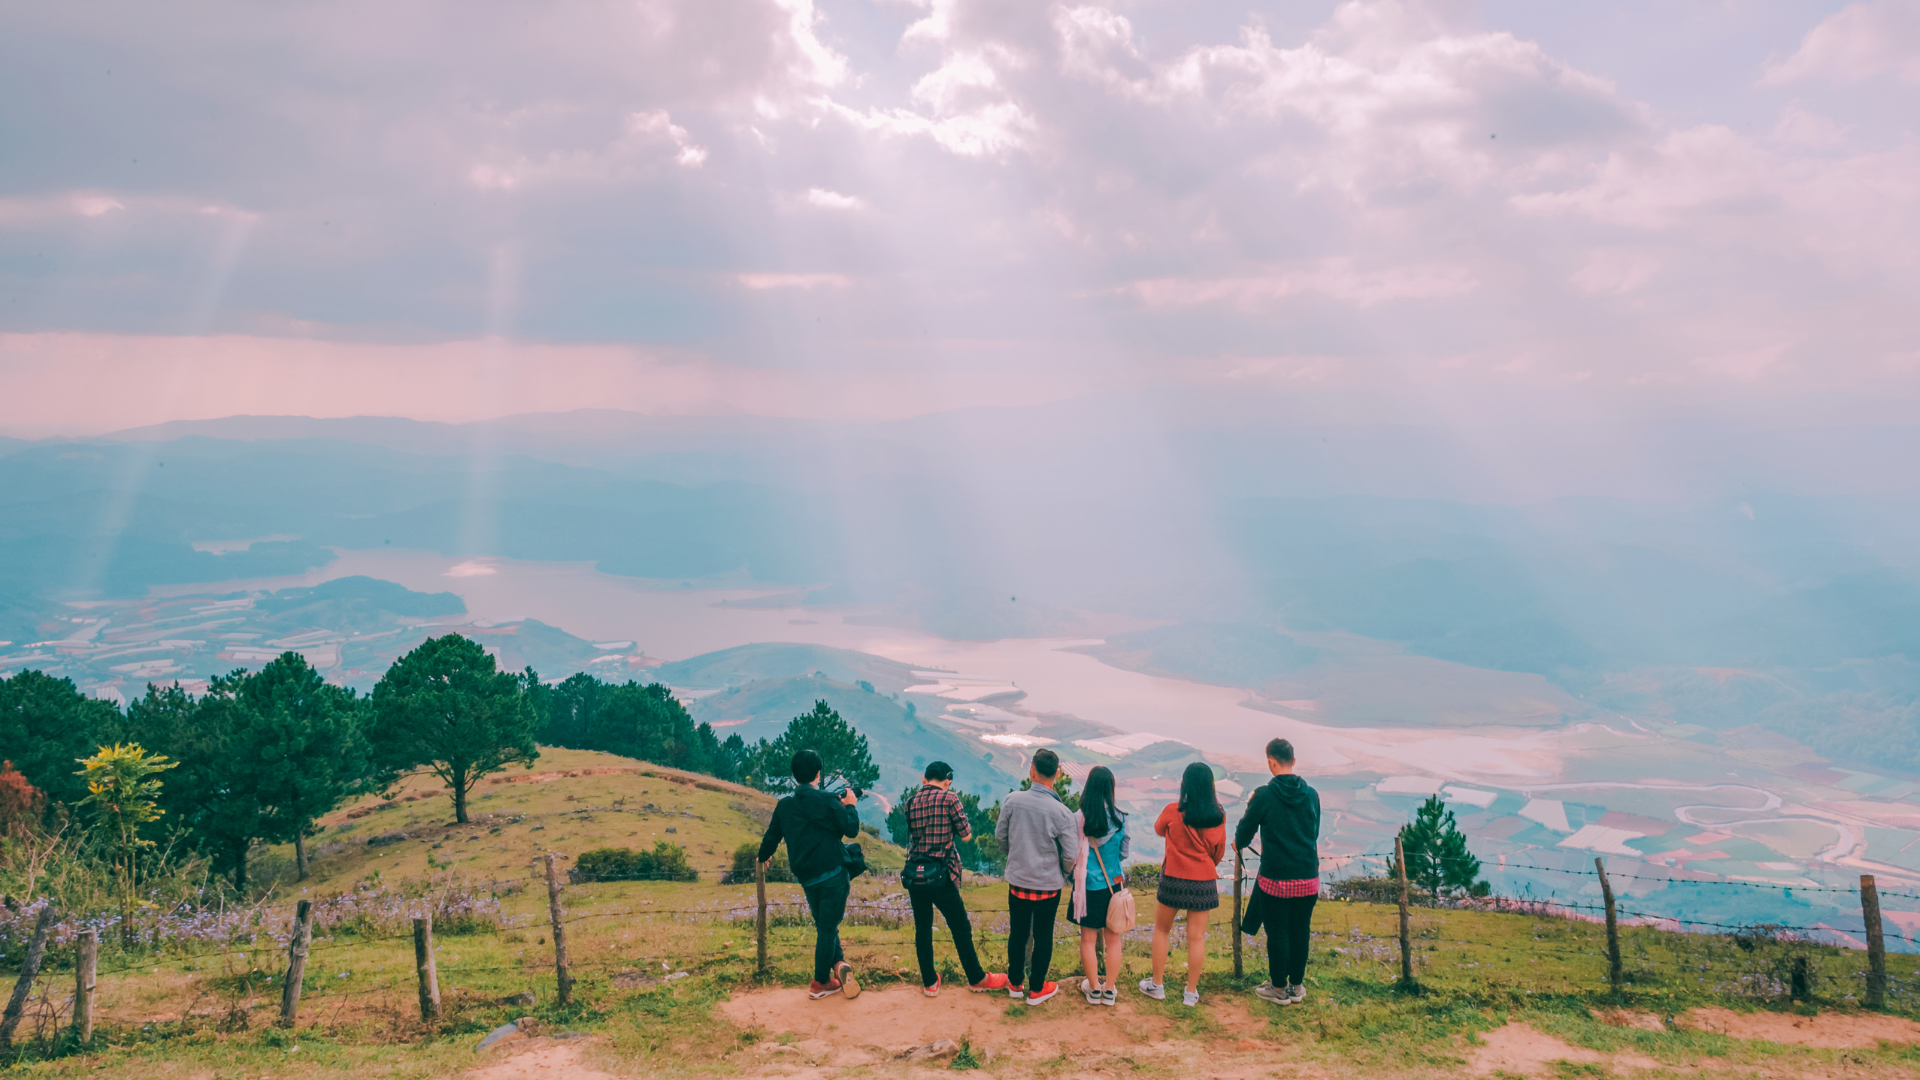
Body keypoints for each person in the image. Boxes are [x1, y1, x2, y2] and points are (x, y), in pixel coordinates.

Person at [758, 748, 862, 1000]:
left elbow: (772, 837)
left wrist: (763, 856)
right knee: (827, 927)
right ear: (818, 774)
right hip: (834, 873)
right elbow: (851, 829)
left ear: (794, 775)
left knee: (826, 924)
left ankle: (838, 963)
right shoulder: (828, 800)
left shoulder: (785, 805)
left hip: (807, 877)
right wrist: (850, 806)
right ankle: (820, 982)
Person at [902, 761, 1010, 996]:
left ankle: (930, 982)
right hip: (941, 873)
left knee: (922, 928)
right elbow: (967, 835)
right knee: (960, 926)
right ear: (947, 781)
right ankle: (977, 978)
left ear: (924, 779)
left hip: (915, 874)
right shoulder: (950, 798)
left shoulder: (910, 803)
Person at [1236, 737, 1321, 1005]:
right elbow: (1314, 832)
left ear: (1270, 762)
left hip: (1275, 880)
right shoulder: (1312, 795)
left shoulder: (1263, 795)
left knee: (1278, 934)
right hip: (1308, 877)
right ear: (1293, 761)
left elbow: (1243, 834)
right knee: (1300, 932)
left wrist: (1249, 810)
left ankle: (1279, 989)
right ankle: (1296, 986)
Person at [994, 747, 1079, 1005]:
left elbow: (1000, 836)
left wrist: (1015, 856)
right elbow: (1071, 854)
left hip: (1018, 881)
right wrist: (1063, 872)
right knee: (1043, 935)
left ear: (1031, 770)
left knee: (1018, 933)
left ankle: (1015, 983)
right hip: (1048, 887)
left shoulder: (1012, 801)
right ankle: (1037, 988)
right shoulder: (1062, 813)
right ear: (1057, 774)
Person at [1140, 761, 1226, 1007]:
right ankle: (1190, 993)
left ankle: (1157, 985)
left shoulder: (1172, 810)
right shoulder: (1218, 817)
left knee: (1162, 930)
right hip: (1203, 881)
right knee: (1196, 938)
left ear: (1185, 785)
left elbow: (1159, 829)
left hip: (1173, 878)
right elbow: (1218, 852)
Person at [1071, 764, 1127, 1005]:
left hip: (1087, 888)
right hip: (1114, 887)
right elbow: (1124, 852)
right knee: (1113, 939)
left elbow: (1071, 851)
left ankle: (1094, 989)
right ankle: (1110, 990)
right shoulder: (1120, 819)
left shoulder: (1078, 818)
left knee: (1088, 940)